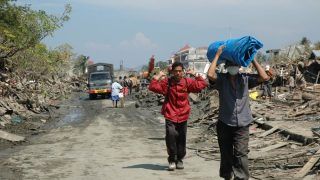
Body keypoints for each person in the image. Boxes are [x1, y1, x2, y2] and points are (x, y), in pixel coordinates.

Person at [207, 46, 269, 180]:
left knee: (241, 153)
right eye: (230, 65)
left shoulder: (246, 79)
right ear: (226, 66)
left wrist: (253, 60)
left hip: (243, 123)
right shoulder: (222, 80)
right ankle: (227, 176)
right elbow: (210, 75)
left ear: (239, 66)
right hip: (225, 123)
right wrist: (217, 55)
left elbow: (264, 77)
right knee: (226, 153)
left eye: (235, 65)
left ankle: (241, 178)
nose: (233, 67)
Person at [148, 61, 207, 171]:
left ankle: (179, 159)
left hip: (183, 114)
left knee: (181, 138)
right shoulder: (168, 82)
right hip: (170, 113)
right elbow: (153, 87)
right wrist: (159, 76)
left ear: (183, 72)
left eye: (180, 71)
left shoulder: (187, 82)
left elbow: (201, 85)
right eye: (176, 71)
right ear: (172, 72)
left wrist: (195, 75)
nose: (178, 73)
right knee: (170, 136)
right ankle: (171, 160)